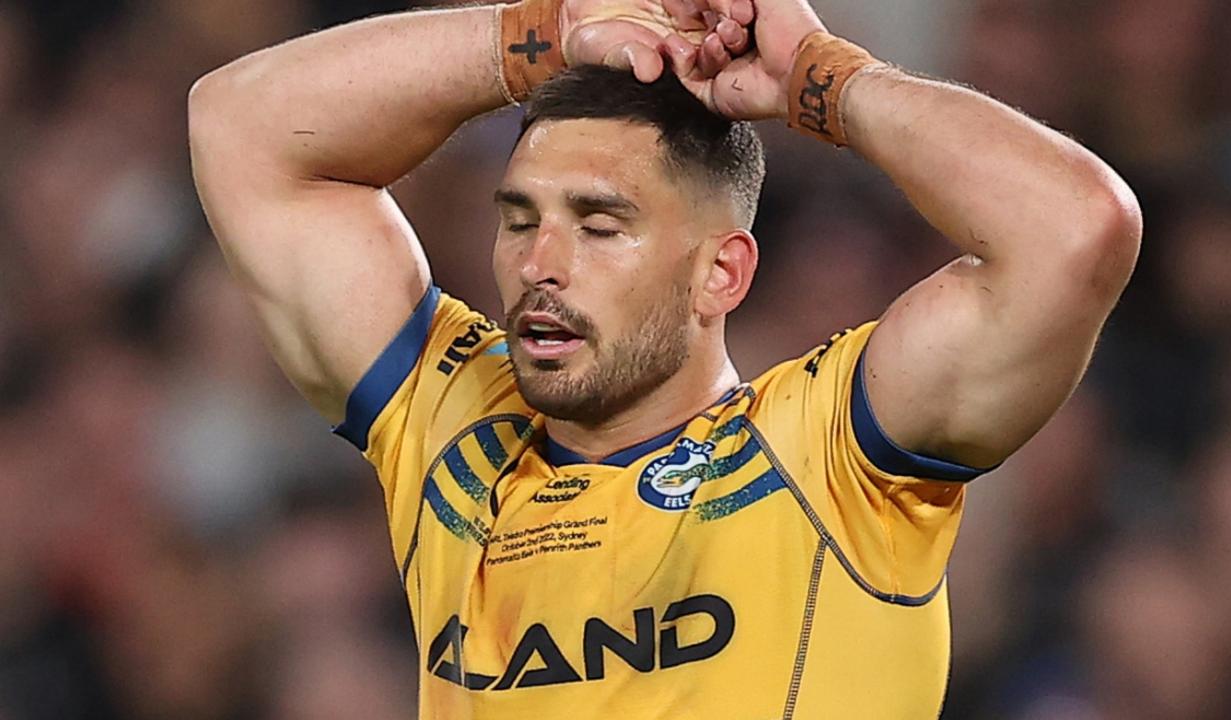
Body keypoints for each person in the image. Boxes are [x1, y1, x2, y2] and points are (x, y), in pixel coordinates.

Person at [188, 0, 1141, 716]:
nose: (538, 266)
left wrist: (822, 79)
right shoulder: (455, 432)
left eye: (600, 226)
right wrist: (551, 32)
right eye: (520, 220)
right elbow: (239, 129)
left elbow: (1075, 229)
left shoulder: (831, 455)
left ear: (720, 274)